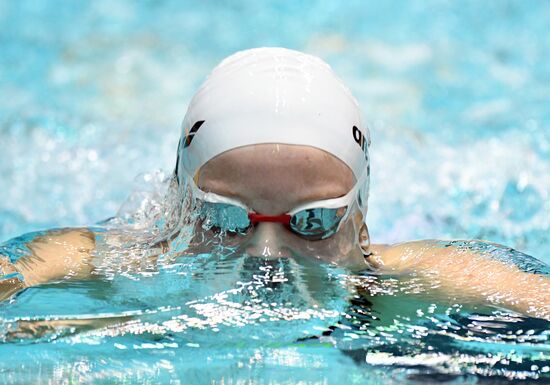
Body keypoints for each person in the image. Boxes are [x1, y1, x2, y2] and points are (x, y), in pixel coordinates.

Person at [1, 47, 549, 321]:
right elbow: (33, 266)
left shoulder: (394, 279)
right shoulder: (133, 263)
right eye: (224, 218)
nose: (267, 256)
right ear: (180, 205)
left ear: (359, 221)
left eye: (312, 221)